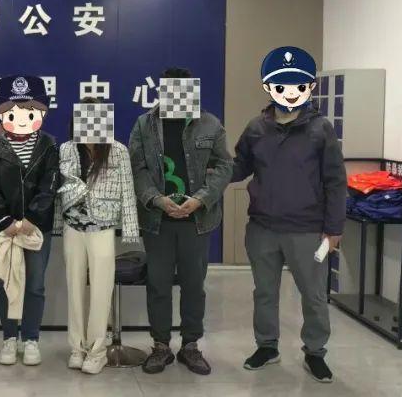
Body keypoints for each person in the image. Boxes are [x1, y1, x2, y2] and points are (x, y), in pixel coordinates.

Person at [231, 47, 345, 384]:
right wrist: (209, 172)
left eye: (298, 85)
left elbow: (336, 182)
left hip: (308, 230)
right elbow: (239, 166)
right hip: (263, 228)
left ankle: (315, 352)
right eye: (281, 86)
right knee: (264, 292)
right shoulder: (256, 128)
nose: (290, 93)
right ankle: (267, 346)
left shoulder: (321, 130)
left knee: (313, 294)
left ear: (309, 87)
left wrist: (334, 229)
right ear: (269, 87)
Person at [128, 68, 233, 375]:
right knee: (158, 284)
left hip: (197, 220)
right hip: (157, 220)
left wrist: (200, 199)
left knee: (193, 286)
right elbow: (137, 167)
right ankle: (161, 346)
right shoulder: (144, 124)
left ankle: (191, 346)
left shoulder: (210, 123)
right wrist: (156, 199)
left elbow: (224, 166)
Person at [0, 75, 61, 367]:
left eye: (30, 110)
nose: (22, 118)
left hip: (37, 228)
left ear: (41, 112)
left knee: (35, 285)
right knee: (6, 283)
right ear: (1, 113)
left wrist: (31, 219)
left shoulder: (49, 144)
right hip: (4, 228)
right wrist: (5, 221)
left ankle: (31, 339)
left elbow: (51, 184)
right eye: (13, 111)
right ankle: (9, 338)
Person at [55, 98, 139, 375]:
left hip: (102, 227)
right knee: (74, 288)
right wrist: (57, 224)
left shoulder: (118, 151)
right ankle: (77, 347)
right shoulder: (66, 149)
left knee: (102, 290)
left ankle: (98, 350)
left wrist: (130, 229)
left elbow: (128, 190)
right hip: (72, 227)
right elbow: (60, 190)